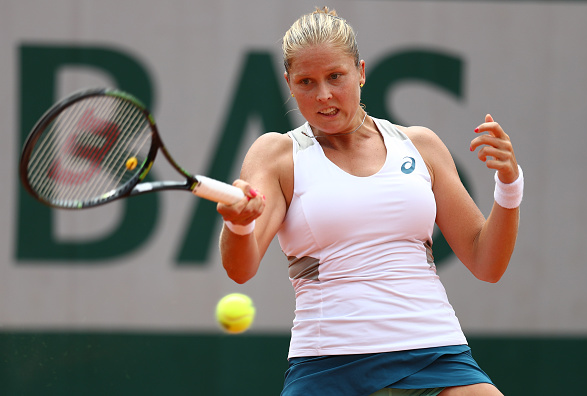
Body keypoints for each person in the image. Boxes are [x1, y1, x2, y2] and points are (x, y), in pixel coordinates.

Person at [217, 7, 522, 396]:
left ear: (360, 72)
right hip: (329, 365)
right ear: (289, 84)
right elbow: (240, 269)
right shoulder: (276, 155)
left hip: (435, 354)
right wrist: (238, 224)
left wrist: (509, 184)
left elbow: (487, 263)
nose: (323, 94)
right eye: (306, 81)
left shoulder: (420, 145)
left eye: (335, 77)